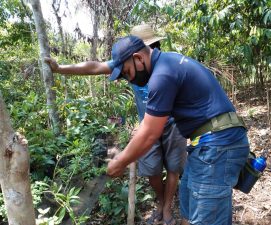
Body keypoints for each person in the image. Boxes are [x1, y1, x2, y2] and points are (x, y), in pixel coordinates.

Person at [45, 24, 187, 225]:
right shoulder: (128, 61)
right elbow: (94, 67)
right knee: (152, 170)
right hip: (147, 126)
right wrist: (60, 69)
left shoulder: (167, 64)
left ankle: (167, 207)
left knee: (173, 167)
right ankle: (160, 200)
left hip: (173, 124)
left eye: (154, 45)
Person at [106, 35, 250, 225]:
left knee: (207, 218)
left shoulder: (162, 75)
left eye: (128, 72)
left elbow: (149, 133)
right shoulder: (168, 61)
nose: (129, 78)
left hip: (218, 146)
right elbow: (97, 67)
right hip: (207, 145)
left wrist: (120, 161)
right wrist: (61, 69)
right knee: (188, 209)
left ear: (139, 58)